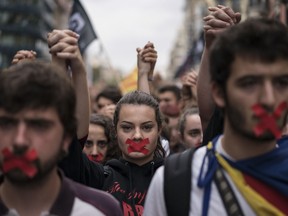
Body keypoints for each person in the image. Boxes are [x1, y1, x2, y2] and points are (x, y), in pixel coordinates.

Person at [144, 17, 288, 215]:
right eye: (249, 83)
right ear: (219, 93)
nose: (269, 100)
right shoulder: (176, 183)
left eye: (281, 83)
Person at [0, 61, 122, 216]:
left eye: (38, 126)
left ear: (66, 137)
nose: (19, 141)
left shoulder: (101, 210)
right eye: (6, 124)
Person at [58, 42, 165, 216]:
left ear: (159, 130)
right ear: (115, 131)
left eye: (146, 127)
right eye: (127, 127)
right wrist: (79, 71)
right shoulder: (101, 178)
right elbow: (72, 142)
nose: (137, 136)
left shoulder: (176, 176)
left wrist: (144, 75)